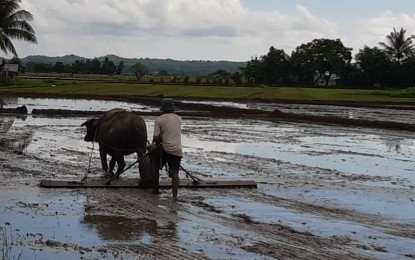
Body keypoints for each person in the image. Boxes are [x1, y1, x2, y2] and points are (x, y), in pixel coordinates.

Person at [152, 98, 183, 198]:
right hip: (177, 149)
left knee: (155, 166)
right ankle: (175, 196)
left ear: (163, 108)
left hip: (165, 149)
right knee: (175, 173)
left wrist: (160, 138)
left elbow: (155, 138)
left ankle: (156, 189)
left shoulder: (159, 119)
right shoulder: (178, 119)